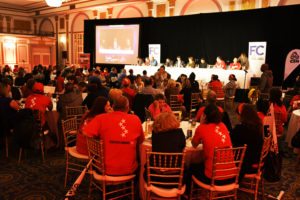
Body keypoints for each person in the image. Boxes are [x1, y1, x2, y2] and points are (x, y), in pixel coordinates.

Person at [83, 95, 144, 176]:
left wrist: (99, 140)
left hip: (104, 168)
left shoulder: (100, 118)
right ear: (128, 107)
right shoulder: (136, 119)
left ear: (113, 106)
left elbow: (86, 133)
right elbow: (140, 141)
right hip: (129, 169)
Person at [191, 104, 234, 185]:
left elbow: (194, 145)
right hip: (232, 176)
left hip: (213, 179)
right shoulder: (223, 125)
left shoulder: (201, 128)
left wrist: (201, 124)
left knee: (192, 166)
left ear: (204, 116)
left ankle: (194, 193)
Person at [231, 104, 263, 180]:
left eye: (238, 115)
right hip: (259, 162)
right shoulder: (258, 125)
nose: (237, 117)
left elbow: (230, 141)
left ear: (242, 116)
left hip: (247, 165)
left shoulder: (241, 129)